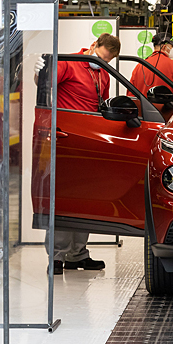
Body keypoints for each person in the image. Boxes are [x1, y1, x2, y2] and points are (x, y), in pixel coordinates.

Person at [48, 33, 121, 274]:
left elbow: (102, 106)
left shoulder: (103, 74)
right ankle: (56, 257)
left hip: (89, 142)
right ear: (93, 45)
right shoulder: (69, 63)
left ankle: (77, 254)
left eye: (107, 61)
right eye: (100, 57)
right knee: (63, 198)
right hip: (66, 140)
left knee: (85, 199)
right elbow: (45, 86)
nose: (102, 63)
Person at [130, 31, 173, 98]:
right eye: (172, 46)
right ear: (164, 47)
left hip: (143, 105)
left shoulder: (139, 66)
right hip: (166, 105)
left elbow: (131, 94)